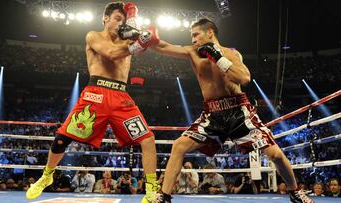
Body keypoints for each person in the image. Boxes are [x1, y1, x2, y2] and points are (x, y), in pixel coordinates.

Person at [151, 17, 314, 203]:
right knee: (179, 146)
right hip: (212, 114)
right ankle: (164, 196)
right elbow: (162, 47)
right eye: (192, 36)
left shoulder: (231, 53)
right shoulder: (192, 52)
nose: (193, 39)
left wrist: (218, 57)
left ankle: (295, 192)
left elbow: (244, 78)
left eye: (196, 35)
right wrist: (145, 36)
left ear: (210, 32)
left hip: (238, 110)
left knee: (275, 154)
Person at [26, 1, 160, 202]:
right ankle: (46, 176)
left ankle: (151, 191)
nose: (120, 24)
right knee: (62, 139)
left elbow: (144, 41)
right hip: (95, 93)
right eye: (116, 19)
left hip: (121, 97)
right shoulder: (93, 36)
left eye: (123, 20)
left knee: (147, 139)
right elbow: (112, 54)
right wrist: (139, 42)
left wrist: (138, 34)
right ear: (105, 18)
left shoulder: (127, 42)